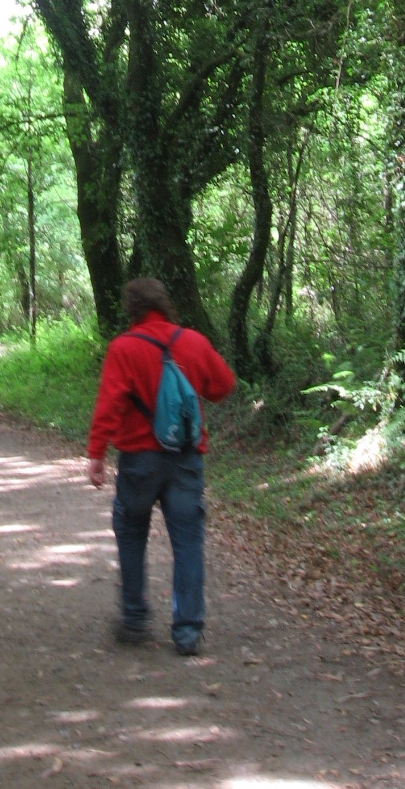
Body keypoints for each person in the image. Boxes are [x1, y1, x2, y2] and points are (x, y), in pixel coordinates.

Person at [87, 276, 236, 655]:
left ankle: (135, 619)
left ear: (132, 308)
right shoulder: (194, 342)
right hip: (186, 459)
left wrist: (97, 454)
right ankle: (187, 632)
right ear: (164, 303)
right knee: (188, 541)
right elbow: (223, 386)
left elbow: (109, 405)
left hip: (139, 458)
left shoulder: (123, 348)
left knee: (131, 530)